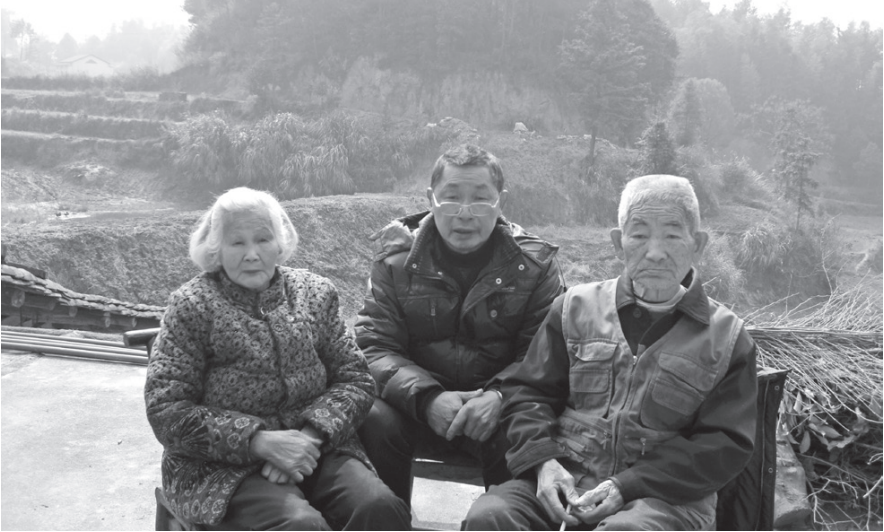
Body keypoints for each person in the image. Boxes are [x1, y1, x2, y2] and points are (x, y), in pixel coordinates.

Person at [464, 174, 758, 531]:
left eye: (672, 235)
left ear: (697, 244)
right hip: (567, 480)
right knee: (491, 517)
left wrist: (626, 485)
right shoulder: (573, 308)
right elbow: (527, 395)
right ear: (619, 242)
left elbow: (724, 444)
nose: (655, 252)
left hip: (664, 501)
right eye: (639, 235)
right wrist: (543, 462)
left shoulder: (727, 337)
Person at [144, 187, 410, 531]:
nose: (252, 254)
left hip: (316, 448)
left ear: (280, 242)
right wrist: (259, 442)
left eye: (263, 239)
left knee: (379, 508)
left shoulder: (315, 293)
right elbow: (167, 410)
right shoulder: (192, 306)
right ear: (216, 248)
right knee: (301, 525)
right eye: (237, 242)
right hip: (219, 468)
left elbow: (355, 379)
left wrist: (309, 438)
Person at [354, 143, 566, 506]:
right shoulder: (395, 263)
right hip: (416, 409)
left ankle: (498, 517)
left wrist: (498, 398)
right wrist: (428, 399)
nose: (465, 214)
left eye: (480, 199)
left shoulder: (534, 266)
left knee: (529, 427)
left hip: (497, 411)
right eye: (451, 198)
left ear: (500, 202)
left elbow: (543, 354)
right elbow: (374, 346)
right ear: (431, 199)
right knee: (371, 417)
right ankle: (390, 517)